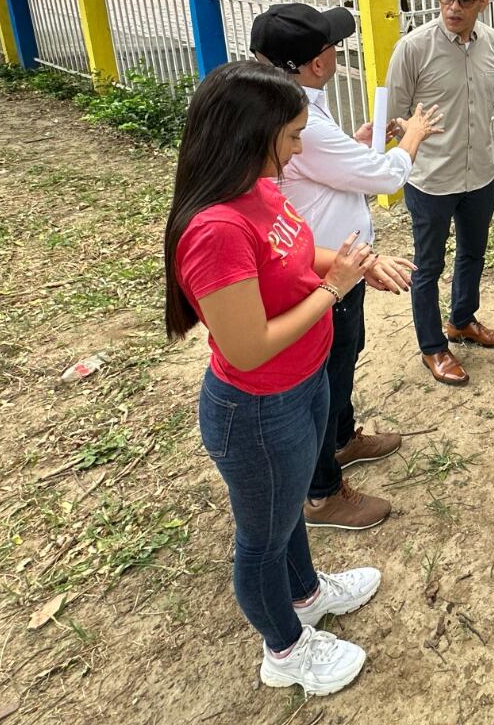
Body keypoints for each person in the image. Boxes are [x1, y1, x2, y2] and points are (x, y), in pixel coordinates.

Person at [163, 61, 418, 696]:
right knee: (262, 537)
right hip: (256, 406)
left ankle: (306, 594)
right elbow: (248, 348)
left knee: (286, 514)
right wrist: (334, 291)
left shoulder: (263, 189)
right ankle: (285, 649)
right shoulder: (216, 229)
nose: (301, 147)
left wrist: (356, 260)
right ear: (252, 134)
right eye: (293, 134)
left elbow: (302, 255)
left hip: (303, 384)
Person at [251, 2, 439, 531]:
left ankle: (340, 440)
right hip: (316, 269)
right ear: (315, 62)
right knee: (320, 377)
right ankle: (321, 493)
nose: (337, 51)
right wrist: (414, 136)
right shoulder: (298, 118)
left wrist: (352, 148)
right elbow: (383, 179)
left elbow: (325, 168)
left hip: (336, 261)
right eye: (332, 45)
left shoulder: (296, 104)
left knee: (341, 359)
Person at [386, 0, 494, 387]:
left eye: (463, 0)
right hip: (431, 178)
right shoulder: (414, 47)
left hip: (480, 174)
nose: (452, 8)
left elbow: (491, 97)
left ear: (482, 2)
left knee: (473, 254)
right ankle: (433, 347)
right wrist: (413, 133)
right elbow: (394, 115)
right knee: (428, 266)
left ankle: (462, 320)